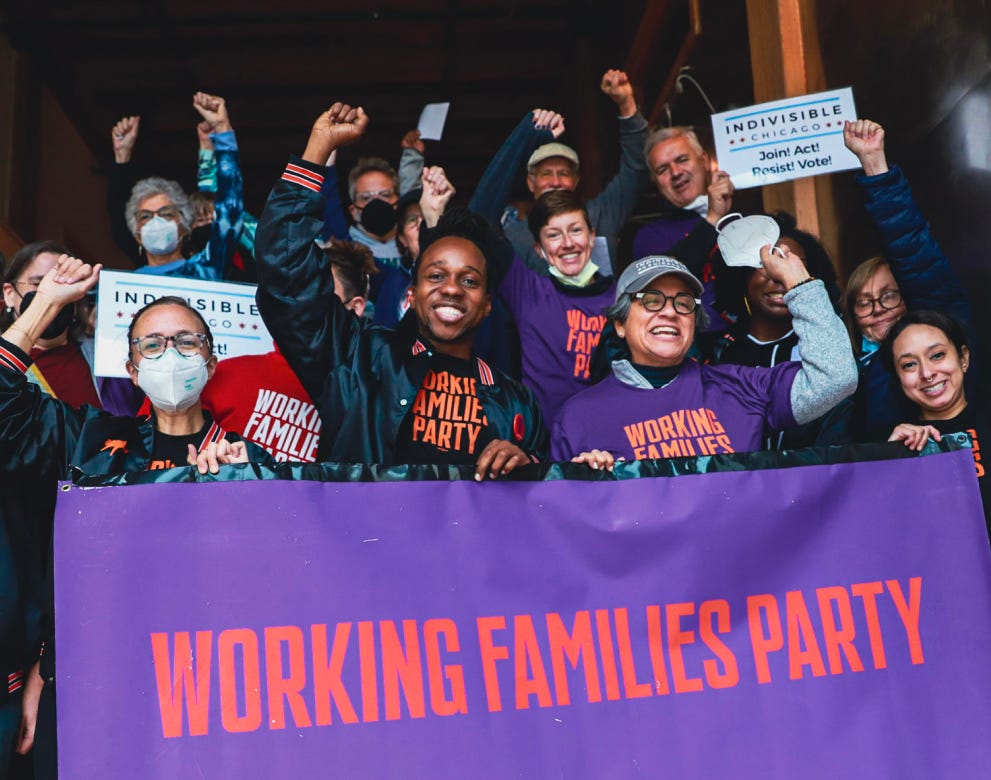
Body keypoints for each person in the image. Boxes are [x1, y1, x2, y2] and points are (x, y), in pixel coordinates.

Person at [255, 102, 547, 476]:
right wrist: (318, 147)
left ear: (487, 304)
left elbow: (540, 503)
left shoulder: (515, 402)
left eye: (469, 280)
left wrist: (527, 464)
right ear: (413, 292)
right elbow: (284, 267)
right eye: (436, 276)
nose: (452, 289)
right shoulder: (354, 357)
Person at [551, 252, 857, 467]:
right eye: (651, 300)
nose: (669, 311)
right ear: (619, 323)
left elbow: (836, 378)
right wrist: (588, 487)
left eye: (683, 302)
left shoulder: (741, 387)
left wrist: (800, 284)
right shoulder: (578, 416)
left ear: (694, 324)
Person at [422, 167, 615, 423]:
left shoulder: (622, 297)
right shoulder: (528, 290)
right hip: (544, 447)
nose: (568, 243)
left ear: (592, 237)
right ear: (539, 249)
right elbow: (481, 218)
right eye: (554, 235)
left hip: (608, 440)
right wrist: (529, 131)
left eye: (576, 230)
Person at [835, 119, 972, 442]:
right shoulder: (846, 377)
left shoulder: (943, 330)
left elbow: (912, 249)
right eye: (864, 303)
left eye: (889, 296)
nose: (879, 309)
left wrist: (875, 165)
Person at [201, 238, 376, 462]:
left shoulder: (369, 390)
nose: (304, 303)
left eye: (319, 292)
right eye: (297, 291)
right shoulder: (226, 374)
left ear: (355, 307)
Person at [469, 69, 649, 273]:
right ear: (530, 183)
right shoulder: (514, 236)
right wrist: (526, 136)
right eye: (546, 174)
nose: (555, 182)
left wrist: (626, 103)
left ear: (576, 180)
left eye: (563, 173)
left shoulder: (600, 214)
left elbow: (637, 169)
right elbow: (478, 219)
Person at [698, 212, 841, 449]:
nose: (778, 277)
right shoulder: (713, 351)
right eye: (764, 265)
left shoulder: (823, 347)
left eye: (789, 265)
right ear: (742, 276)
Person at [111, 93, 244, 279]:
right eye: (145, 216)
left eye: (166, 214)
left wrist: (222, 129)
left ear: (183, 225)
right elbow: (118, 216)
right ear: (137, 234)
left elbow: (230, 211)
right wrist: (122, 156)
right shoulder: (126, 286)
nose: (156, 222)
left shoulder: (207, 269)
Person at [883, 310, 988, 535]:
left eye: (937, 355)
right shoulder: (896, 443)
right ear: (898, 379)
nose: (927, 373)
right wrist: (887, 458)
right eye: (909, 365)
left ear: (964, 358)